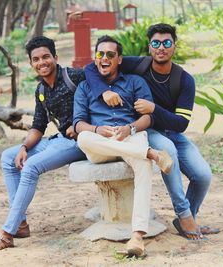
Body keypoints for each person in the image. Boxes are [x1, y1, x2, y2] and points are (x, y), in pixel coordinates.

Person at [84, 24, 218, 240]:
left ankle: (189, 215)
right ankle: (185, 215)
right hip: (148, 129)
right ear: (149, 47)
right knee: (169, 152)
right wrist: (104, 91)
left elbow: (181, 123)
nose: (161, 48)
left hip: (172, 130)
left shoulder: (184, 80)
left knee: (202, 175)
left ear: (174, 46)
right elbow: (92, 67)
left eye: (167, 43)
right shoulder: (139, 65)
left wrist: (154, 108)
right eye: (156, 43)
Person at [0, 36, 87, 251]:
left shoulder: (75, 76)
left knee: (31, 166)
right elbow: (38, 126)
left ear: (55, 57)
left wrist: (82, 125)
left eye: (46, 57)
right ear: (31, 64)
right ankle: (20, 224)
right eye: (36, 59)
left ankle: (7, 233)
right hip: (58, 140)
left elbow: (99, 97)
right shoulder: (41, 91)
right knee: (9, 157)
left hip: (80, 142)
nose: (42, 62)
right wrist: (24, 147)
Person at [73, 35, 173, 257]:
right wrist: (98, 130)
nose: (104, 58)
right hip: (101, 143)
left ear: (119, 59)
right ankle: (150, 153)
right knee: (83, 138)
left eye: (110, 54)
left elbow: (148, 118)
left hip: (129, 136)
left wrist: (130, 129)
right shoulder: (84, 87)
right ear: (95, 58)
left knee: (143, 165)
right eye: (100, 54)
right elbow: (78, 124)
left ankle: (137, 236)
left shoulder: (135, 82)